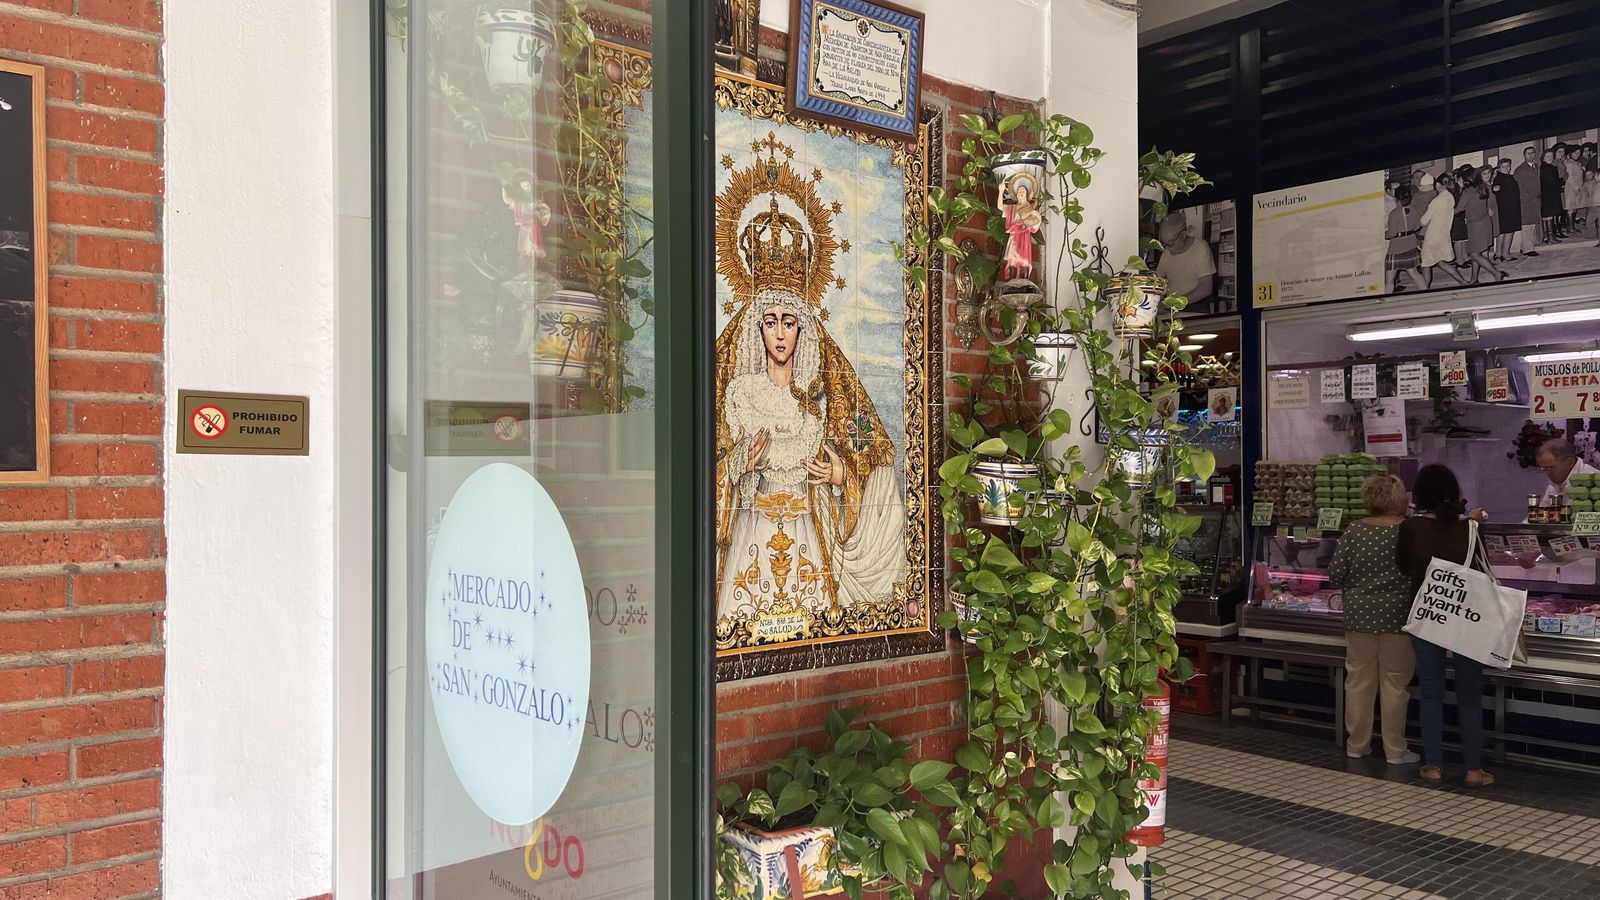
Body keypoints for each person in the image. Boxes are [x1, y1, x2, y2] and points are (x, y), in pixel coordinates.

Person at [1396, 464, 1491, 787]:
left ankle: (1433, 765)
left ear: (1420, 495)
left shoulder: (1411, 527)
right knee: (1468, 696)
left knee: (1432, 692)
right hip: (1467, 617)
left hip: (1427, 615)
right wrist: (1470, 521)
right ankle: (1474, 770)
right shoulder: (1471, 528)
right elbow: (1481, 568)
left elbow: (1404, 566)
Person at [1329, 475, 1418, 766]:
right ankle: (1395, 750)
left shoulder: (1354, 530)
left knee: (1358, 681)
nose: (1407, 496)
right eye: (1404, 490)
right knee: (1395, 683)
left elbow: (1335, 573)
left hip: (1358, 617)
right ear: (1393, 499)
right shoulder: (1408, 530)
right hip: (1398, 617)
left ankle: (1357, 744)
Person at [1154, 210, 1216, 310]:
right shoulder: (1167, 252)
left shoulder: (1200, 248)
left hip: (1195, 307)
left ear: (1183, 235)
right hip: (1171, 309)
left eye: (1171, 243)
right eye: (1164, 243)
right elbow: (1158, 281)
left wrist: (1174, 303)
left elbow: (1206, 288)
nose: (1167, 248)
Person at [1419, 173, 1465, 288]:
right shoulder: (1450, 197)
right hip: (1444, 235)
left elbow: (1423, 221)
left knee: (1425, 264)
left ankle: (1424, 289)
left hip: (1432, 237)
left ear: (1438, 184)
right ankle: (1462, 281)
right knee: (1441, 262)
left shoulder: (1436, 201)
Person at [1458, 167, 1504, 283]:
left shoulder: (1467, 191)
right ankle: (1474, 278)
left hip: (1476, 226)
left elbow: (1459, 208)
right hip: (1485, 222)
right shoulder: (1481, 187)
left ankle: (1497, 274)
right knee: (1476, 251)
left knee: (1474, 254)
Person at [1384, 184, 1425, 292]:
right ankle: (1425, 292)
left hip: (1396, 249)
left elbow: (1392, 233)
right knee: (1415, 273)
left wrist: (1383, 234)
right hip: (1410, 245)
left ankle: (1387, 300)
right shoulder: (1413, 209)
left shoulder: (1394, 214)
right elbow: (1417, 226)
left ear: (1397, 198)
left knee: (1389, 279)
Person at [1535, 437, 1600, 505]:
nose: (1546, 473)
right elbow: (1544, 510)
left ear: (1569, 462)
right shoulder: (1555, 482)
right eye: (1543, 468)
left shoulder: (1593, 481)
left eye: (1549, 468)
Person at [1514, 146, 1543, 255]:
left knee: (1532, 225)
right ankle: (1528, 249)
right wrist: (1525, 198)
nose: (1531, 155)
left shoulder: (1536, 166)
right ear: (1524, 155)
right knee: (1527, 225)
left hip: (1535, 200)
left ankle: (1524, 247)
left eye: (1532, 153)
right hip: (1526, 202)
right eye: (1528, 153)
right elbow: (1519, 187)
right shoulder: (1520, 169)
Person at [1492, 157, 1522, 262]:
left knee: (1504, 231)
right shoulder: (1500, 177)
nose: (1506, 168)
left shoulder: (1509, 176)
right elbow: (1495, 189)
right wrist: (1495, 189)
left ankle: (1498, 254)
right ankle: (1505, 254)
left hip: (1509, 208)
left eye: (1508, 166)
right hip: (1506, 208)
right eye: (1503, 166)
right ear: (1499, 168)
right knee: (1508, 232)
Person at [1541, 148, 1564, 242]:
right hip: (1548, 195)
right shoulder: (1546, 168)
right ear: (1543, 157)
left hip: (1550, 194)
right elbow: (1552, 182)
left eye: (1551, 156)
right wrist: (1561, 181)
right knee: (1549, 215)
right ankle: (1550, 237)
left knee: (1548, 215)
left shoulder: (1548, 167)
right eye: (1547, 156)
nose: (1550, 158)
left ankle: (1548, 237)